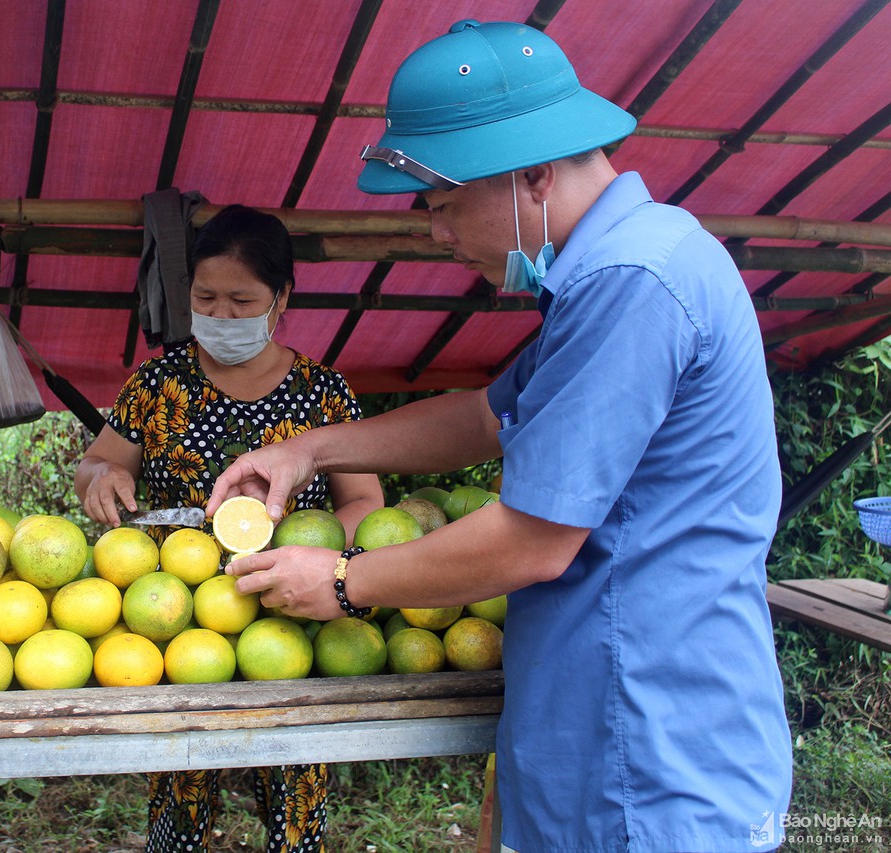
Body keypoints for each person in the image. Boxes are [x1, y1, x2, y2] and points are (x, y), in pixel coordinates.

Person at [213, 20, 793, 853]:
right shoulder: (613, 270)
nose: (438, 234)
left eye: (445, 205)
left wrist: (343, 580)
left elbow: (534, 538)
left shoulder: (633, 280)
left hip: (652, 751)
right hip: (605, 729)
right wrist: (311, 449)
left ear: (533, 173)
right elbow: (485, 416)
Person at [75, 203, 384, 853]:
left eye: (243, 300)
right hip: (174, 618)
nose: (222, 315)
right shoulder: (158, 383)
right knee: (179, 798)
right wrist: (99, 477)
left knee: (296, 792)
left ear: (283, 299)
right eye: (206, 297)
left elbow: (364, 504)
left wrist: (316, 541)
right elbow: (98, 462)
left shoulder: (324, 396)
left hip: (291, 613)